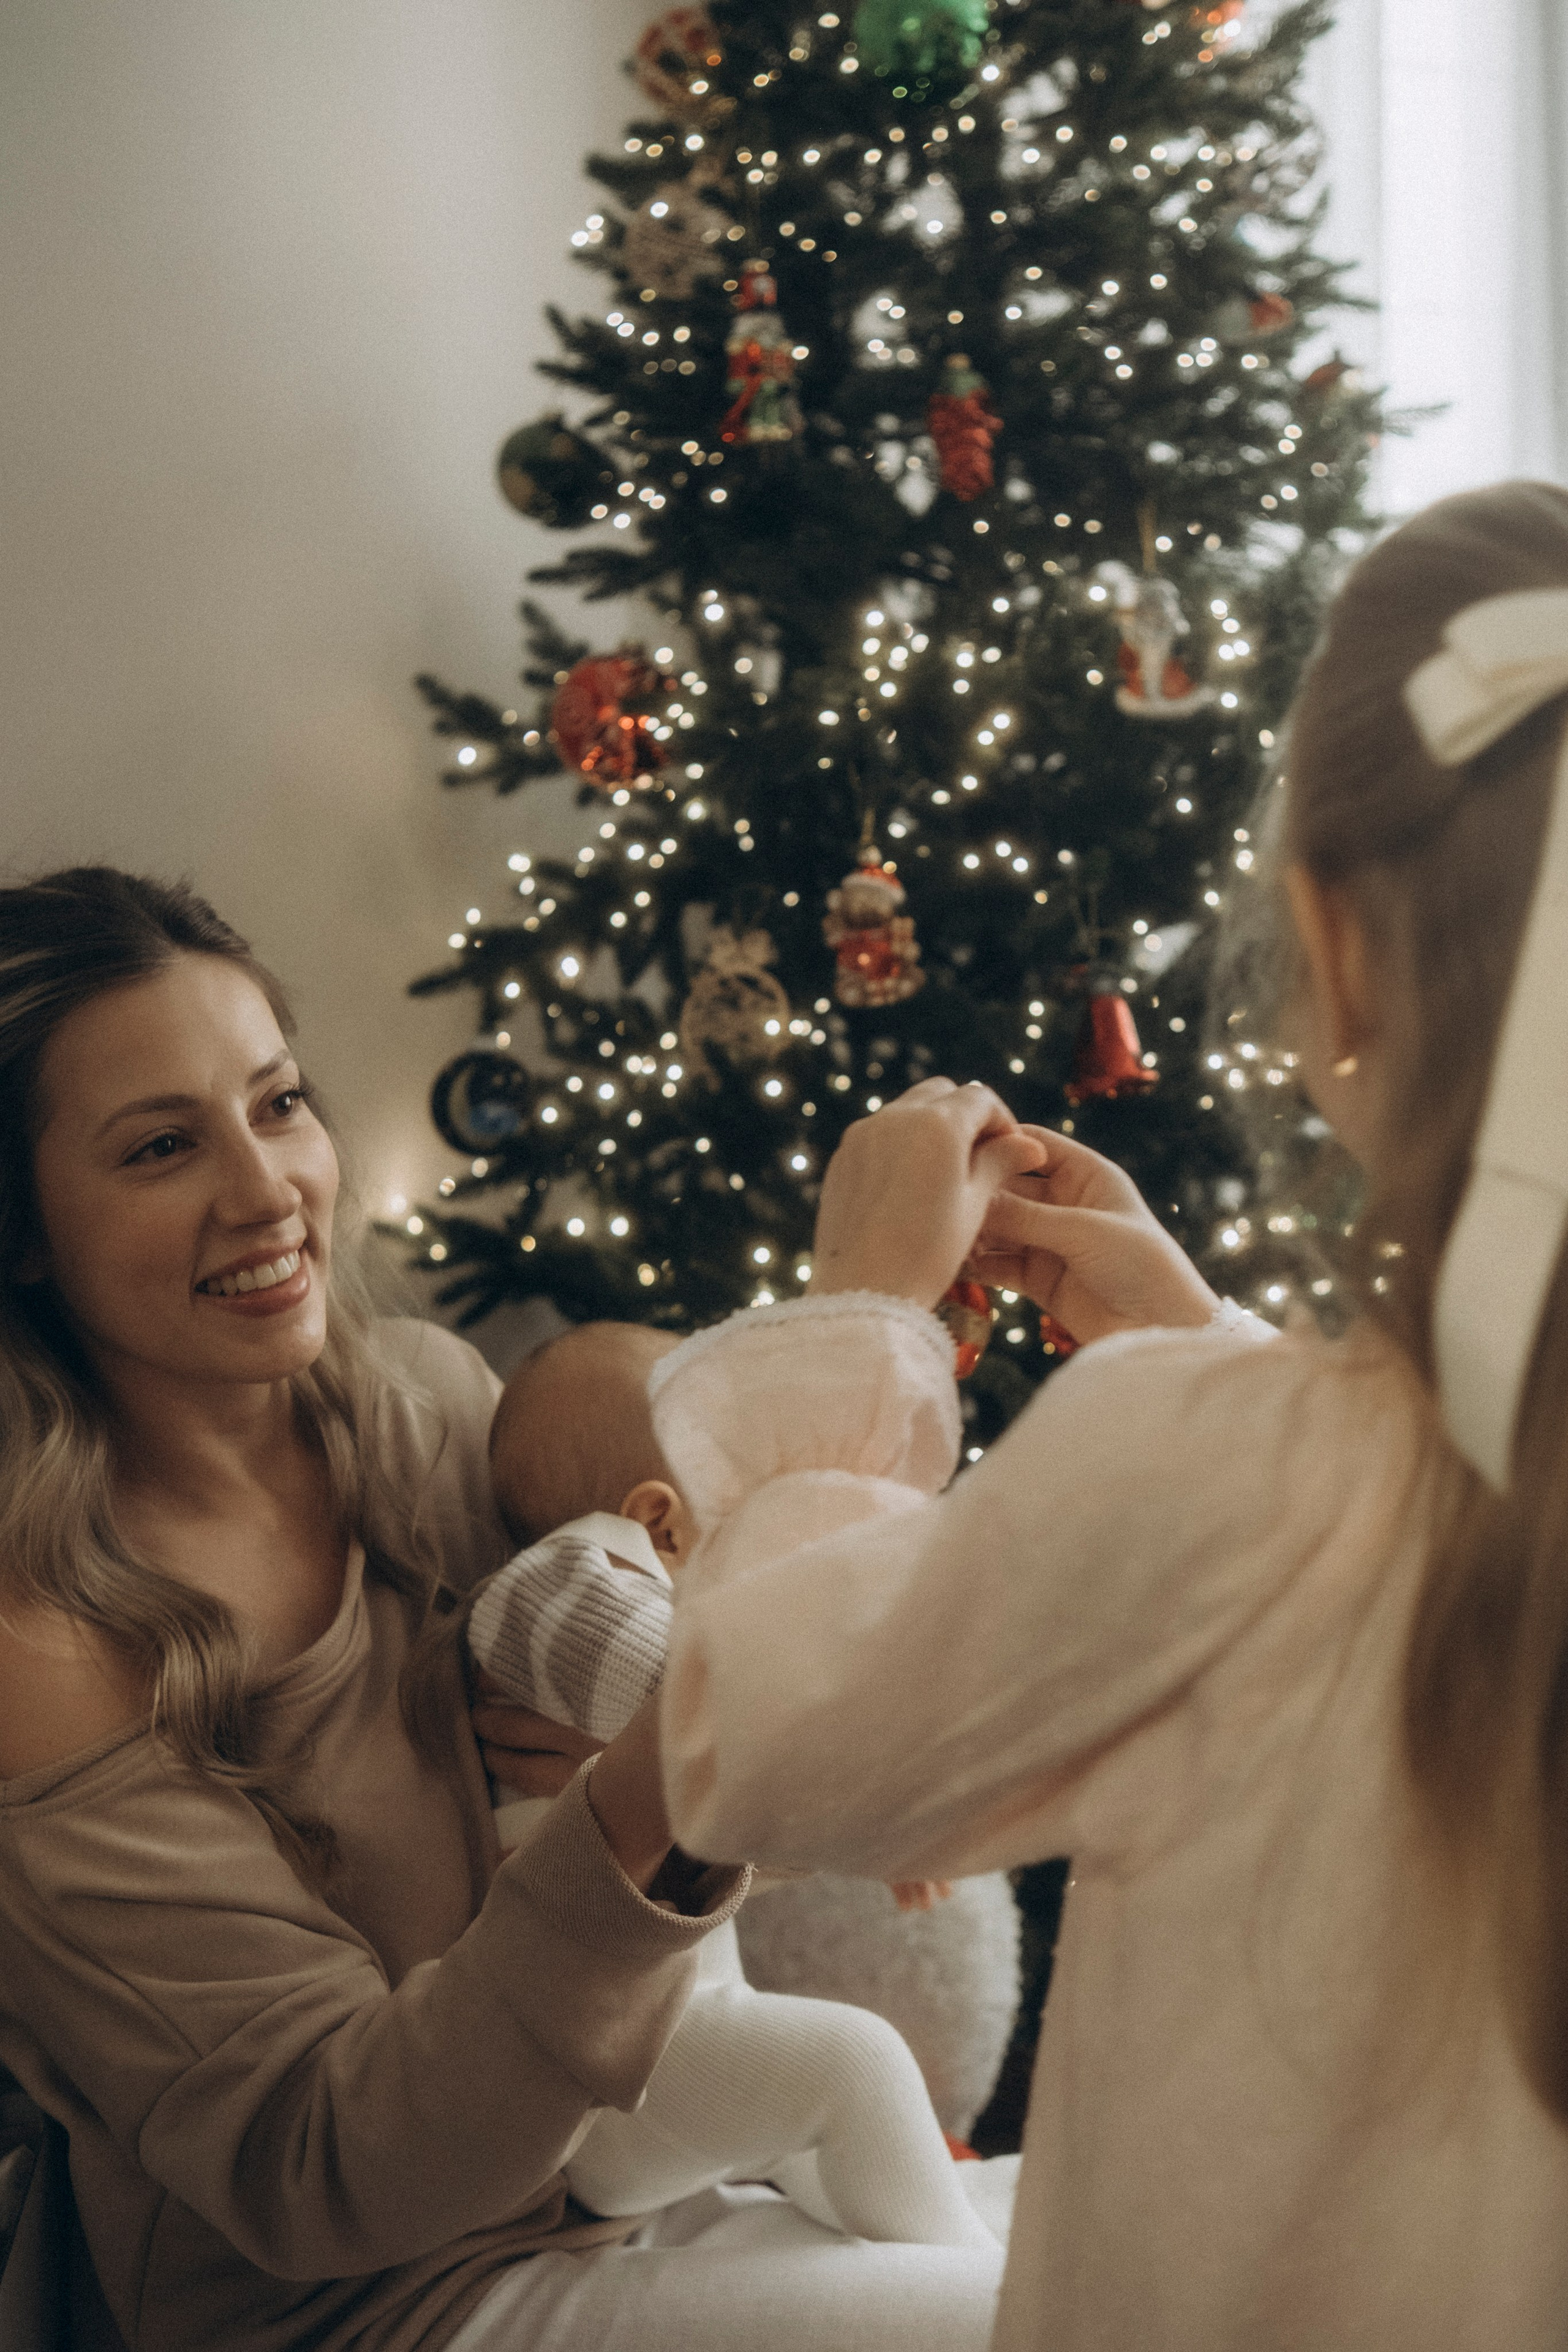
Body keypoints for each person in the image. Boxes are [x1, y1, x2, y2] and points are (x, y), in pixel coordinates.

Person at [647, 481, 1568, 2350]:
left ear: (1333, 937)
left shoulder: (1210, 1475)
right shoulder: (1254, 1452)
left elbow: (749, 1741)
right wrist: (1208, 1347)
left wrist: (861, 1317)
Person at [0, 869, 1006, 2352]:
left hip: (605, 2177)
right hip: (366, 2307)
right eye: (161, 1146)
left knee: (1149, 2252)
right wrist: (855, 1315)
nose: (266, 1190)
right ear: (24, 1231)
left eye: (279, 1104)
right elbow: (332, 2171)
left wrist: (717, 1772)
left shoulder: (425, 1410)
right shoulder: (45, 1642)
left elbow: (656, 1792)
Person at [466, 1320, 1001, 2250]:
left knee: (824, 2116)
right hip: (602, 2070)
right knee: (857, 2061)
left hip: (664, 2040)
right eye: (748, 1492)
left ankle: (921, 2251)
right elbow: (709, 1716)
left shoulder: (637, 1587)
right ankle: (974, 2285)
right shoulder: (565, 1581)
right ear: (660, 1521)